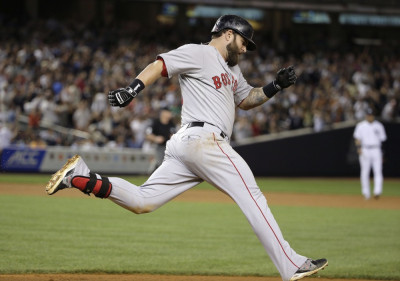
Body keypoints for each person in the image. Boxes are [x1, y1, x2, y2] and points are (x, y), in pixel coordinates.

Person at [46, 15, 327, 281]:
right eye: (243, 41)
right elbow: (160, 64)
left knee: (143, 201)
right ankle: (291, 264)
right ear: (228, 34)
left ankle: (79, 176)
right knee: (252, 196)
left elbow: (246, 99)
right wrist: (131, 90)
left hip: (189, 145)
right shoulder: (199, 52)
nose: (244, 48)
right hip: (205, 141)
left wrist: (275, 85)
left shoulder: (232, 69)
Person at [353, 108, 387, 199]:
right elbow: (357, 139)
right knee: (365, 172)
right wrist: (359, 148)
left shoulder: (379, 126)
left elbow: (383, 140)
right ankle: (366, 193)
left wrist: (382, 153)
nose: (369, 117)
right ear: (366, 116)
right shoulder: (360, 126)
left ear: (373, 116)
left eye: (371, 115)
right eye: (368, 115)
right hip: (365, 149)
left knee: (378, 171)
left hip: (376, 149)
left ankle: (377, 192)